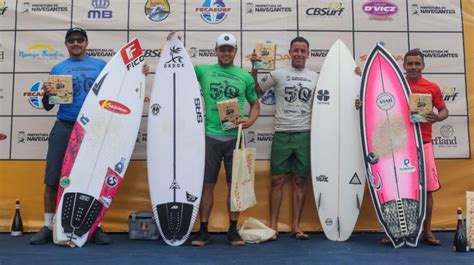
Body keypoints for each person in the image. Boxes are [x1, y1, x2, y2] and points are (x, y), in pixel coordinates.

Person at [29, 27, 150, 245]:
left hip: (95, 129)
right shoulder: (58, 68)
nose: (76, 43)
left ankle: (95, 226)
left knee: (94, 176)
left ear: (86, 43)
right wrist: (46, 94)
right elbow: (49, 106)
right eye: (71, 40)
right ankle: (48, 226)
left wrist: (139, 73)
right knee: (53, 179)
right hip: (65, 126)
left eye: (80, 40)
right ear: (66, 44)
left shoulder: (101, 66)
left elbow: (120, 88)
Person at [180, 33, 261, 246]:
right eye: (222, 49)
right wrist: (175, 44)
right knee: (207, 185)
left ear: (235, 52)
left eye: (230, 49)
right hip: (210, 137)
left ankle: (232, 231)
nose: (226, 53)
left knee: (235, 186)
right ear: (215, 51)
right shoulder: (203, 71)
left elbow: (255, 104)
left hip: (235, 139)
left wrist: (249, 121)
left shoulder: (244, 76)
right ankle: (203, 230)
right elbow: (180, 70)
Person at [250, 37, 318, 240]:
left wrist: (356, 76)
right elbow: (256, 91)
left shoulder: (316, 77)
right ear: (289, 53)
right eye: (295, 50)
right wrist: (254, 71)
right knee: (277, 180)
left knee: (299, 180)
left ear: (308, 53)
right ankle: (273, 225)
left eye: (302, 51)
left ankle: (296, 226)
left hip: (304, 134)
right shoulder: (278, 74)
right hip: (281, 133)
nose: (299, 54)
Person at [402, 49, 448, 246]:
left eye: (417, 63)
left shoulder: (431, 87)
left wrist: (438, 117)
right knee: (399, 190)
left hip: (425, 142)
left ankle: (427, 231)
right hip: (400, 144)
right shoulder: (395, 83)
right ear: (404, 66)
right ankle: (397, 230)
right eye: (410, 63)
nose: (413, 67)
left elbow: (444, 110)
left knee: (427, 190)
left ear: (423, 65)